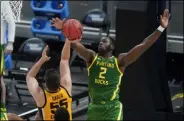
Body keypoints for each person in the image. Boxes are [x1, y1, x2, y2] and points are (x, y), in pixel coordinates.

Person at [51, 9, 170, 120]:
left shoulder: (119, 62)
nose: (101, 42)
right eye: (101, 41)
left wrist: (160, 28)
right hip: (94, 107)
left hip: (112, 109)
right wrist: (64, 28)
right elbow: (75, 45)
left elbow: (144, 45)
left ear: (112, 47)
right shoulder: (92, 57)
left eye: (105, 41)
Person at [26, 40, 73, 120]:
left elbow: (30, 76)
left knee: (38, 116)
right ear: (59, 81)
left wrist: (42, 60)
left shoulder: (42, 96)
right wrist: (68, 41)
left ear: (46, 84)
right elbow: (65, 59)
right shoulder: (66, 88)